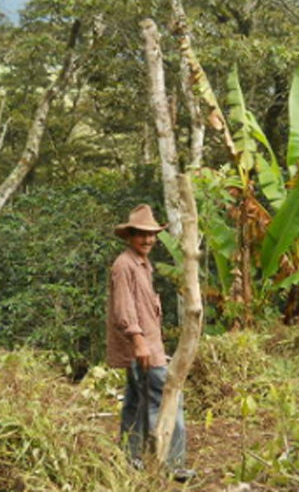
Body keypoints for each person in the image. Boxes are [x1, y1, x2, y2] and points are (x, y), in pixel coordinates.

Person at [106, 204, 194, 481]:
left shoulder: (143, 265)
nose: (148, 240)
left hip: (147, 346)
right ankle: (173, 463)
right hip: (142, 349)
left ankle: (131, 458)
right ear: (130, 236)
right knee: (168, 398)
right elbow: (124, 309)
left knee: (135, 402)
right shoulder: (124, 265)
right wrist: (139, 341)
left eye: (152, 235)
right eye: (141, 235)